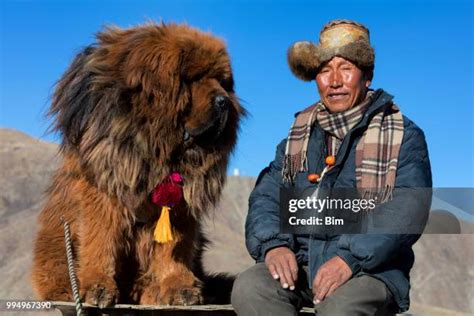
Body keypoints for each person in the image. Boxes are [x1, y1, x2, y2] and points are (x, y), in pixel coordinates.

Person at [231, 20, 432, 315]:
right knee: (251, 287)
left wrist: (349, 260)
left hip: (368, 271)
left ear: (367, 76)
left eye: (346, 68)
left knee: (341, 309)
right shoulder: (297, 136)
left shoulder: (403, 135)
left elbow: (406, 209)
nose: (334, 80)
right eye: (325, 70)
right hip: (301, 263)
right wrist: (274, 245)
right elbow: (267, 197)